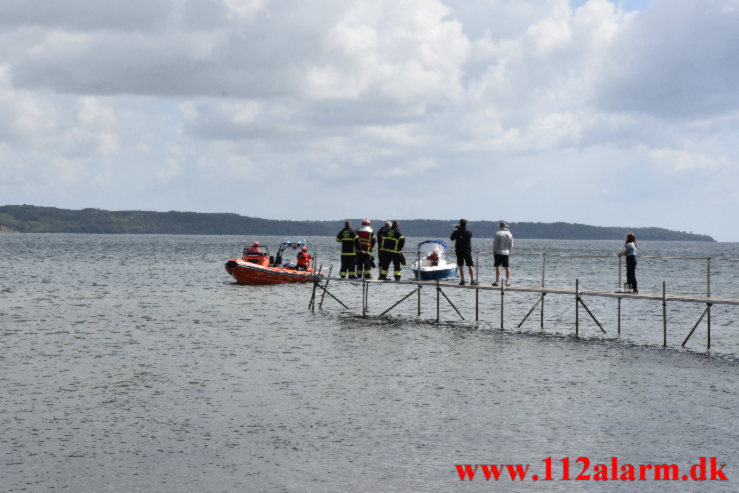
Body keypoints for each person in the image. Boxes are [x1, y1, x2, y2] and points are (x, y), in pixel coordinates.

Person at [450, 218, 476, 285]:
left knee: (460, 266)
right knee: (470, 265)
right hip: (467, 251)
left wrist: (454, 230)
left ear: (460, 223)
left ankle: (462, 280)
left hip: (459, 251)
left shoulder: (457, 232)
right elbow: (470, 235)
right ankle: (472, 280)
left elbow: (452, 238)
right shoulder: (469, 232)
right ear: (466, 224)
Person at [492, 221, 513, 286]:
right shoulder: (509, 234)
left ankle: (497, 281)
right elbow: (511, 244)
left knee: (498, 267)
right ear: (505, 226)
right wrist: (510, 251)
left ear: (500, 226)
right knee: (507, 267)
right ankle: (507, 281)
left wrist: (494, 252)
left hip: (498, 252)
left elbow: (495, 244)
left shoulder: (498, 233)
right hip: (506, 252)